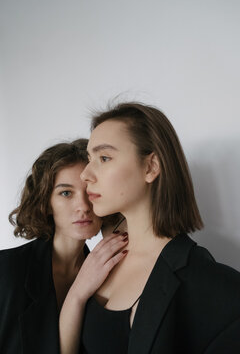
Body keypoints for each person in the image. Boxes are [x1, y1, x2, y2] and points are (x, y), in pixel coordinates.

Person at [60, 102, 240, 354]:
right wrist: (76, 294)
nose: (86, 174)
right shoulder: (94, 262)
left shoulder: (207, 281)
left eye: (104, 158)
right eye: (90, 159)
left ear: (151, 167)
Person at [0, 138, 127, 354]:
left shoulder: (107, 275)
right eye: (66, 193)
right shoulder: (6, 269)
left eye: (90, 192)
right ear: (46, 203)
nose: (83, 207)